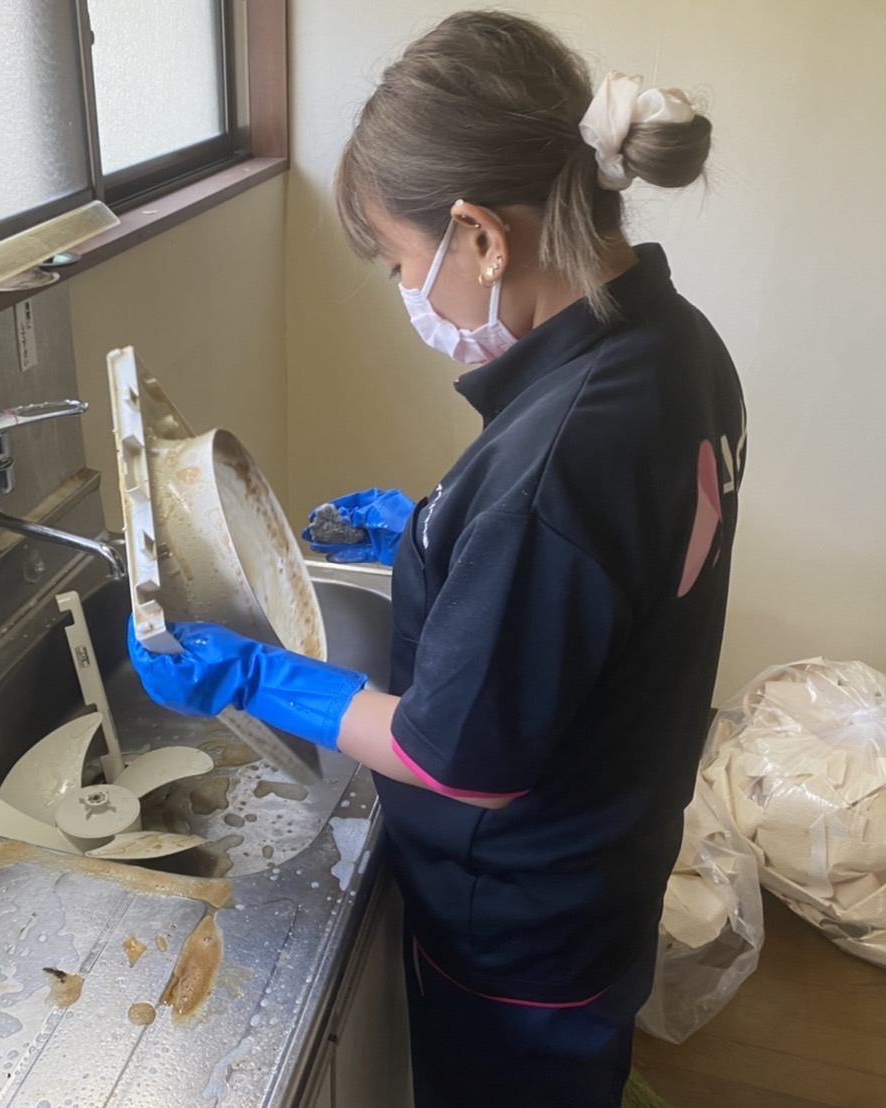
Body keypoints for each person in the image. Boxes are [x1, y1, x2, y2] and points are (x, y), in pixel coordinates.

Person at [129, 11, 746, 1106]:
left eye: (401, 262)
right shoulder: (674, 342)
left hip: (519, 927)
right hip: (606, 860)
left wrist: (254, 675)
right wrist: (434, 529)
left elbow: (453, 757)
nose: (405, 291)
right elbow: (599, 577)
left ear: (480, 237)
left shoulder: (555, 466)